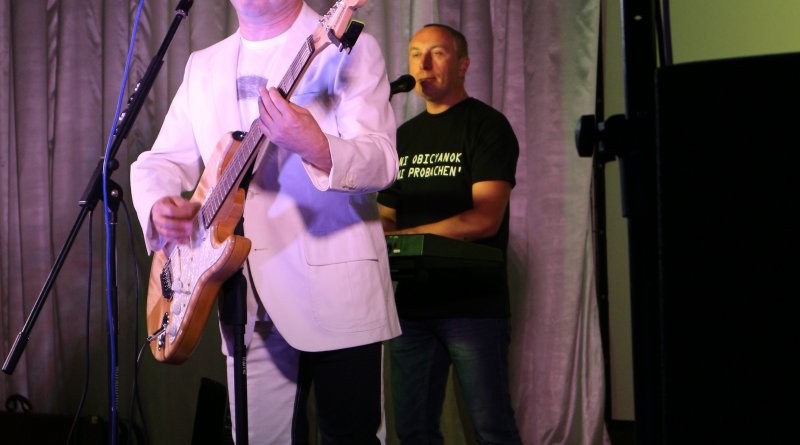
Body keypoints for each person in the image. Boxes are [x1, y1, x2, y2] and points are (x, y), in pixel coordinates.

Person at [130, 0, 401, 443]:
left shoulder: (348, 45)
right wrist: (158, 205)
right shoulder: (203, 65)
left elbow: (383, 160)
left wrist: (316, 146)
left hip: (337, 292)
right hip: (244, 301)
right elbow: (158, 162)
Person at [377, 24, 522, 444]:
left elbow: (484, 219)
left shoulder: (487, 126)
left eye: (437, 53)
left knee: (491, 427)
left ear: (462, 64)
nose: (423, 64)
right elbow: (385, 218)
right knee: (413, 429)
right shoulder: (402, 137)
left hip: (473, 306)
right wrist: (389, 235)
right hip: (413, 307)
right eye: (415, 53)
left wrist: (409, 235)